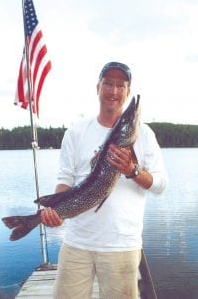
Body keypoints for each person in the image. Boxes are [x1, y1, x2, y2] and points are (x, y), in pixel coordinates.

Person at [41, 61, 168, 299]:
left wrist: (132, 171)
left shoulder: (145, 135)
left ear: (128, 91)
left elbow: (161, 184)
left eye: (121, 85)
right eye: (108, 83)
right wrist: (54, 210)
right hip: (76, 242)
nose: (114, 91)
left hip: (121, 244)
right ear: (97, 88)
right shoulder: (76, 132)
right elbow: (65, 179)